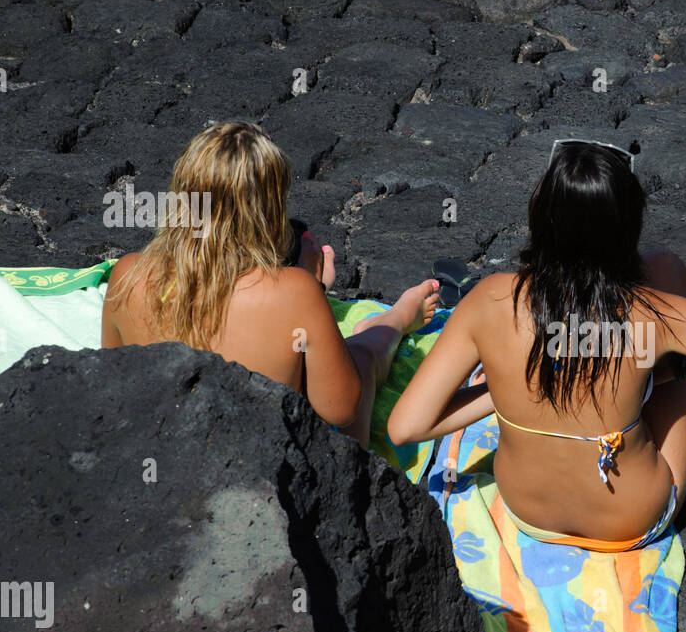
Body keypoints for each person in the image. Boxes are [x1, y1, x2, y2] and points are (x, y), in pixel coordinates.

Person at [388, 140, 686, 547]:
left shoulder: (490, 299)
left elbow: (406, 427)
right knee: (664, 276)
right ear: (629, 229)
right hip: (633, 519)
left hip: (529, 515)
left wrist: (505, 387)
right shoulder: (653, 312)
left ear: (540, 215)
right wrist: (679, 367)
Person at [101, 121, 439, 448]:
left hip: (161, 451)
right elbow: (341, 408)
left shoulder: (129, 274)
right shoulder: (293, 291)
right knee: (361, 359)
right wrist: (311, 288)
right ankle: (394, 321)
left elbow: (113, 378)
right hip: (258, 468)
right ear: (270, 209)